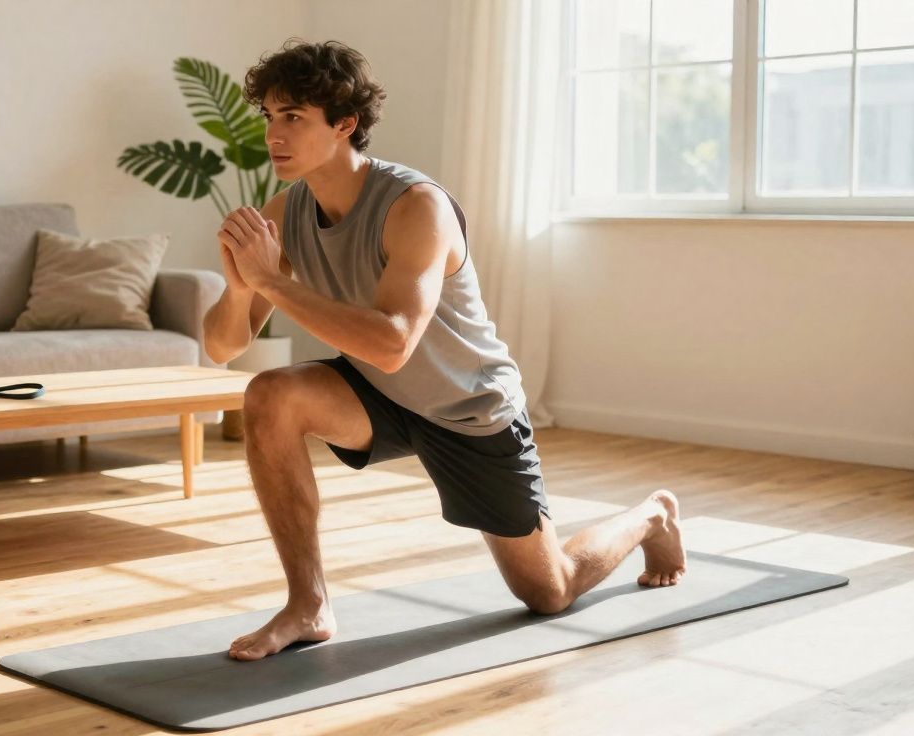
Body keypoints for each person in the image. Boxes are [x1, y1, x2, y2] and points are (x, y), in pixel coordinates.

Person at [202, 39, 686, 662]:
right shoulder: (284, 212)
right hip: (380, 396)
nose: (274, 133)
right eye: (268, 117)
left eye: (292, 116)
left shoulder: (415, 206)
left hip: (468, 408)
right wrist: (241, 286)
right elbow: (222, 346)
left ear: (344, 123)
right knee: (268, 393)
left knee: (549, 592)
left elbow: (394, 342)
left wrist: (271, 280)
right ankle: (308, 604)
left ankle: (653, 515)